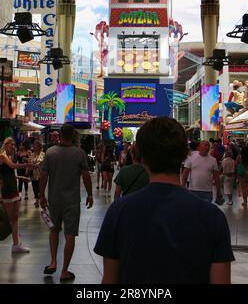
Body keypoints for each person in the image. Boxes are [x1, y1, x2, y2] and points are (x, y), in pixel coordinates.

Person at [94, 117, 234, 284]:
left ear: (142, 158)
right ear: (184, 155)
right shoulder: (213, 217)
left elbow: (109, 279)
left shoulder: (118, 212)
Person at [39, 123, 93, 282]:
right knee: (70, 235)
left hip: (54, 199)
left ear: (60, 135)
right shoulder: (80, 154)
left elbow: (43, 175)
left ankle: (53, 262)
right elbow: (86, 175)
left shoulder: (50, 152)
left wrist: (41, 195)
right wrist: (90, 194)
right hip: (72, 201)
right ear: (74, 136)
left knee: (54, 230)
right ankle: (64, 271)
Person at [0, 137, 30, 253]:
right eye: (11, 145)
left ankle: (16, 242)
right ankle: (16, 243)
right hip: (7, 190)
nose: (13, 147)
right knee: (11, 218)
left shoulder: (9, 157)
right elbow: (12, 166)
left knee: (16, 216)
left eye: (14, 145)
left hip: (14, 188)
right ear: (6, 144)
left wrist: (21, 177)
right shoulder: (2, 156)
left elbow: (9, 173)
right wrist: (26, 164)